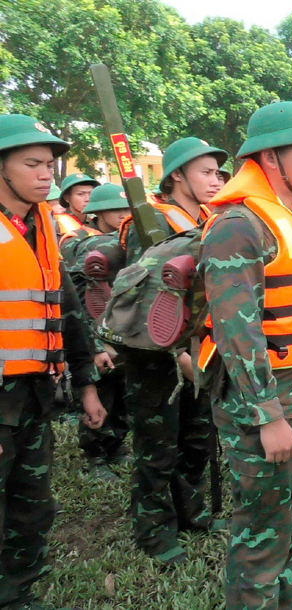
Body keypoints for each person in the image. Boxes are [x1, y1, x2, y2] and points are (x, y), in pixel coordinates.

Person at [197, 101, 292, 610]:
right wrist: (267, 414)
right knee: (260, 524)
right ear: (272, 158)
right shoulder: (238, 225)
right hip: (263, 394)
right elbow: (239, 332)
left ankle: (283, 594)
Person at [0, 113, 107, 610]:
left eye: (50, 164)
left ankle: (17, 592)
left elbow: (66, 310)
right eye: (32, 164)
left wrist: (85, 385)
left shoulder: (40, 222)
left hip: (34, 393)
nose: (48, 174)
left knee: (32, 503)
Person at [119, 136, 228, 566]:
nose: (216, 180)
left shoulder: (210, 220)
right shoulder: (153, 224)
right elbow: (140, 299)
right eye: (205, 172)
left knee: (197, 436)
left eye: (219, 172)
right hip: (154, 356)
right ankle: (154, 531)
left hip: (197, 349)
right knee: (157, 445)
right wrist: (176, 355)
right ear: (177, 175)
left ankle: (192, 512)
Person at [59, 183, 133, 482]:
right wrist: (93, 346)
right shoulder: (82, 242)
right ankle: (96, 457)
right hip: (96, 333)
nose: (122, 215)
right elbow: (78, 300)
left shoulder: (127, 239)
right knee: (98, 395)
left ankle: (117, 447)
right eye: (116, 209)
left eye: (127, 209)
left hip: (124, 331)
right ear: (96, 212)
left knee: (123, 396)